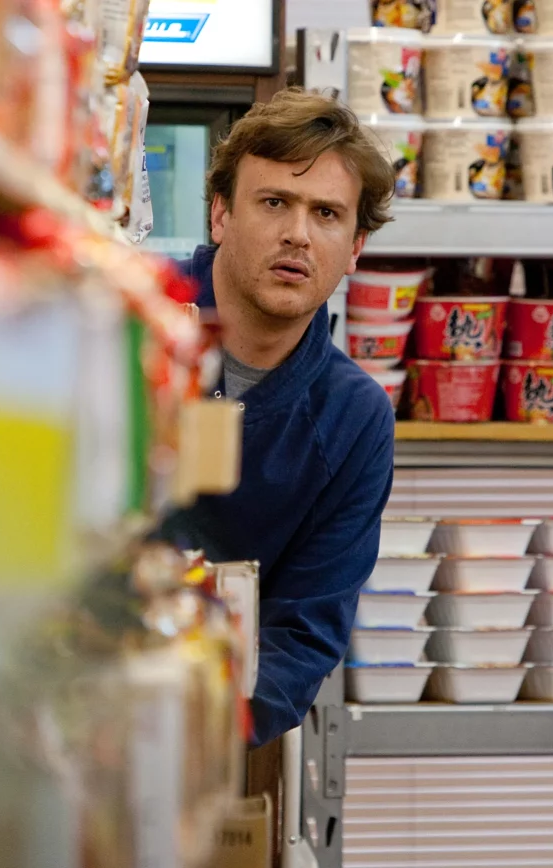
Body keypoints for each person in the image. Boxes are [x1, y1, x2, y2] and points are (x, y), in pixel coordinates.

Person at [162, 89, 398, 745]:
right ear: (220, 214)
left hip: (207, 735)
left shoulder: (354, 417)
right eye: (274, 203)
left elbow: (305, 631)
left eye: (326, 213)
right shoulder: (129, 318)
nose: (298, 233)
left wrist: (192, 733)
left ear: (354, 247)